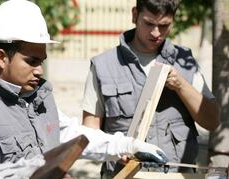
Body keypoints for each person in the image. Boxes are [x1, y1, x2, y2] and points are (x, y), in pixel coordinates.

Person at [0, 0, 168, 178]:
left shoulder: (36, 99)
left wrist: (128, 145)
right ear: (1, 57)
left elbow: (72, 135)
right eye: (32, 61)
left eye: (42, 61)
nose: (40, 70)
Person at [82, 0, 220, 177]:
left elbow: (212, 122)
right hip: (122, 175)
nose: (156, 33)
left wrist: (181, 85)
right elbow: (89, 133)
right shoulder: (103, 66)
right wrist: (114, 151)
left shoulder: (185, 62)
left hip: (177, 175)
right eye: (149, 23)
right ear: (134, 15)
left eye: (164, 25)